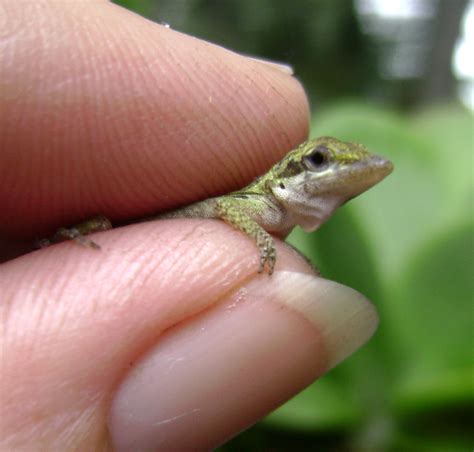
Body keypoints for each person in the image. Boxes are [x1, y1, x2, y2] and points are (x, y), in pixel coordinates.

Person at [0, 2, 378, 449]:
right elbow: (226, 210)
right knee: (96, 223)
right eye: (318, 162)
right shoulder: (261, 207)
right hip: (126, 230)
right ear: (288, 174)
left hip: (146, 248)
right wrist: (258, 236)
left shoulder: (276, 210)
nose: (332, 171)